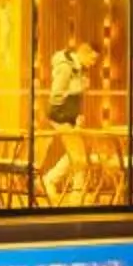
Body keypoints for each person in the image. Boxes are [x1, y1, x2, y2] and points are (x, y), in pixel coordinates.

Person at [40, 36, 96, 201]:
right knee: (78, 156)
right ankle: (60, 185)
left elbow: (74, 95)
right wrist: (76, 91)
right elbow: (56, 94)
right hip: (60, 115)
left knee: (77, 154)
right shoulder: (66, 67)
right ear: (84, 52)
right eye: (93, 58)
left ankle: (68, 187)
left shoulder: (77, 68)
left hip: (67, 117)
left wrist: (76, 114)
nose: (94, 62)